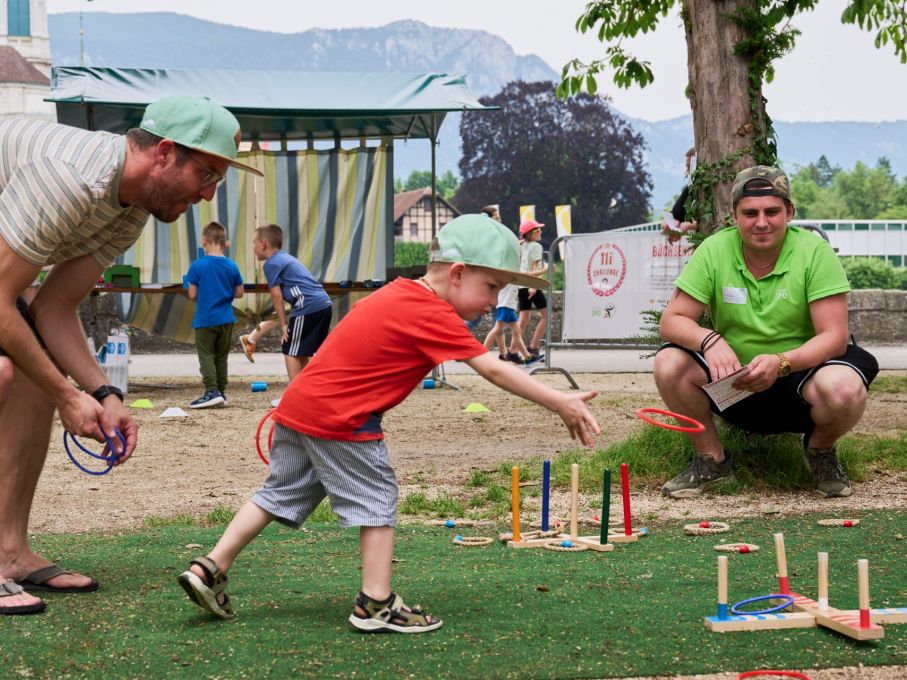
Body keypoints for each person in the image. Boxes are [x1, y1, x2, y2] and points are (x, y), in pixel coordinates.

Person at [178, 213, 600, 631]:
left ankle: (209, 567)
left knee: (279, 493)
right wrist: (558, 401)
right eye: (490, 287)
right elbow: (492, 368)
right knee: (378, 496)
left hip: (299, 405)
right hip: (342, 417)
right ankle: (376, 603)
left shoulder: (399, 292)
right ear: (456, 273)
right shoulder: (432, 311)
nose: (493, 301)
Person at [0, 95, 262, 615]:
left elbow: (55, 306)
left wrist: (103, 392)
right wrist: (66, 394)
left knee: (32, 374)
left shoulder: (132, 207)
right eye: (206, 174)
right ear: (164, 152)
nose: (209, 196)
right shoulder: (70, 180)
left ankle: (10, 554)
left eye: (219, 182)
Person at [654, 165, 878, 500]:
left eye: (772, 211)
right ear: (734, 216)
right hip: (734, 381)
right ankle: (712, 460)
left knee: (845, 389)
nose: (761, 222)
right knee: (669, 362)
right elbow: (671, 320)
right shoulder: (714, 250)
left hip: (802, 380)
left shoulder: (815, 253)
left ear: (790, 211)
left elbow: (833, 337)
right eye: (750, 213)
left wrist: (781, 362)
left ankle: (819, 451)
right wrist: (710, 340)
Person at [252, 224, 333, 384]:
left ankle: (295, 396)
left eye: (254, 242)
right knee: (302, 351)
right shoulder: (285, 257)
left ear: (263, 243)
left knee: (290, 349)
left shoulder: (272, 263)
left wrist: (283, 325)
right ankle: (306, 391)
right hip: (323, 303)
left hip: (307, 306)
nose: (253, 247)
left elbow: (276, 296)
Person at [186, 221, 244, 408]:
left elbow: (192, 294)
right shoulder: (232, 266)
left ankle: (211, 391)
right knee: (221, 356)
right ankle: (222, 392)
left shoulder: (197, 266)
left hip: (205, 319)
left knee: (206, 355)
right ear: (225, 242)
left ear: (204, 242)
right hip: (226, 318)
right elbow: (240, 292)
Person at [511, 219, 548, 359]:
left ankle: (513, 350)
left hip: (521, 285)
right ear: (530, 233)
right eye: (537, 230)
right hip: (532, 284)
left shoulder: (522, 245)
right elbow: (535, 267)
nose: (540, 232)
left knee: (523, 318)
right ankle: (533, 346)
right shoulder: (536, 246)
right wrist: (534, 286)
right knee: (547, 316)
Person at [464, 204, 502, 332]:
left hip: (487, 278)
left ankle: (504, 350)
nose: (499, 221)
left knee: (483, 315)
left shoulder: (480, 232)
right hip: (489, 278)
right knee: (486, 315)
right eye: (497, 218)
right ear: (489, 218)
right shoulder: (490, 235)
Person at [482, 282, 538, 365]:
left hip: (509, 307)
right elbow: (526, 275)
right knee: (497, 329)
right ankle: (482, 353)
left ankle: (527, 357)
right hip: (505, 306)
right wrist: (543, 270)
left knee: (517, 332)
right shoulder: (510, 274)